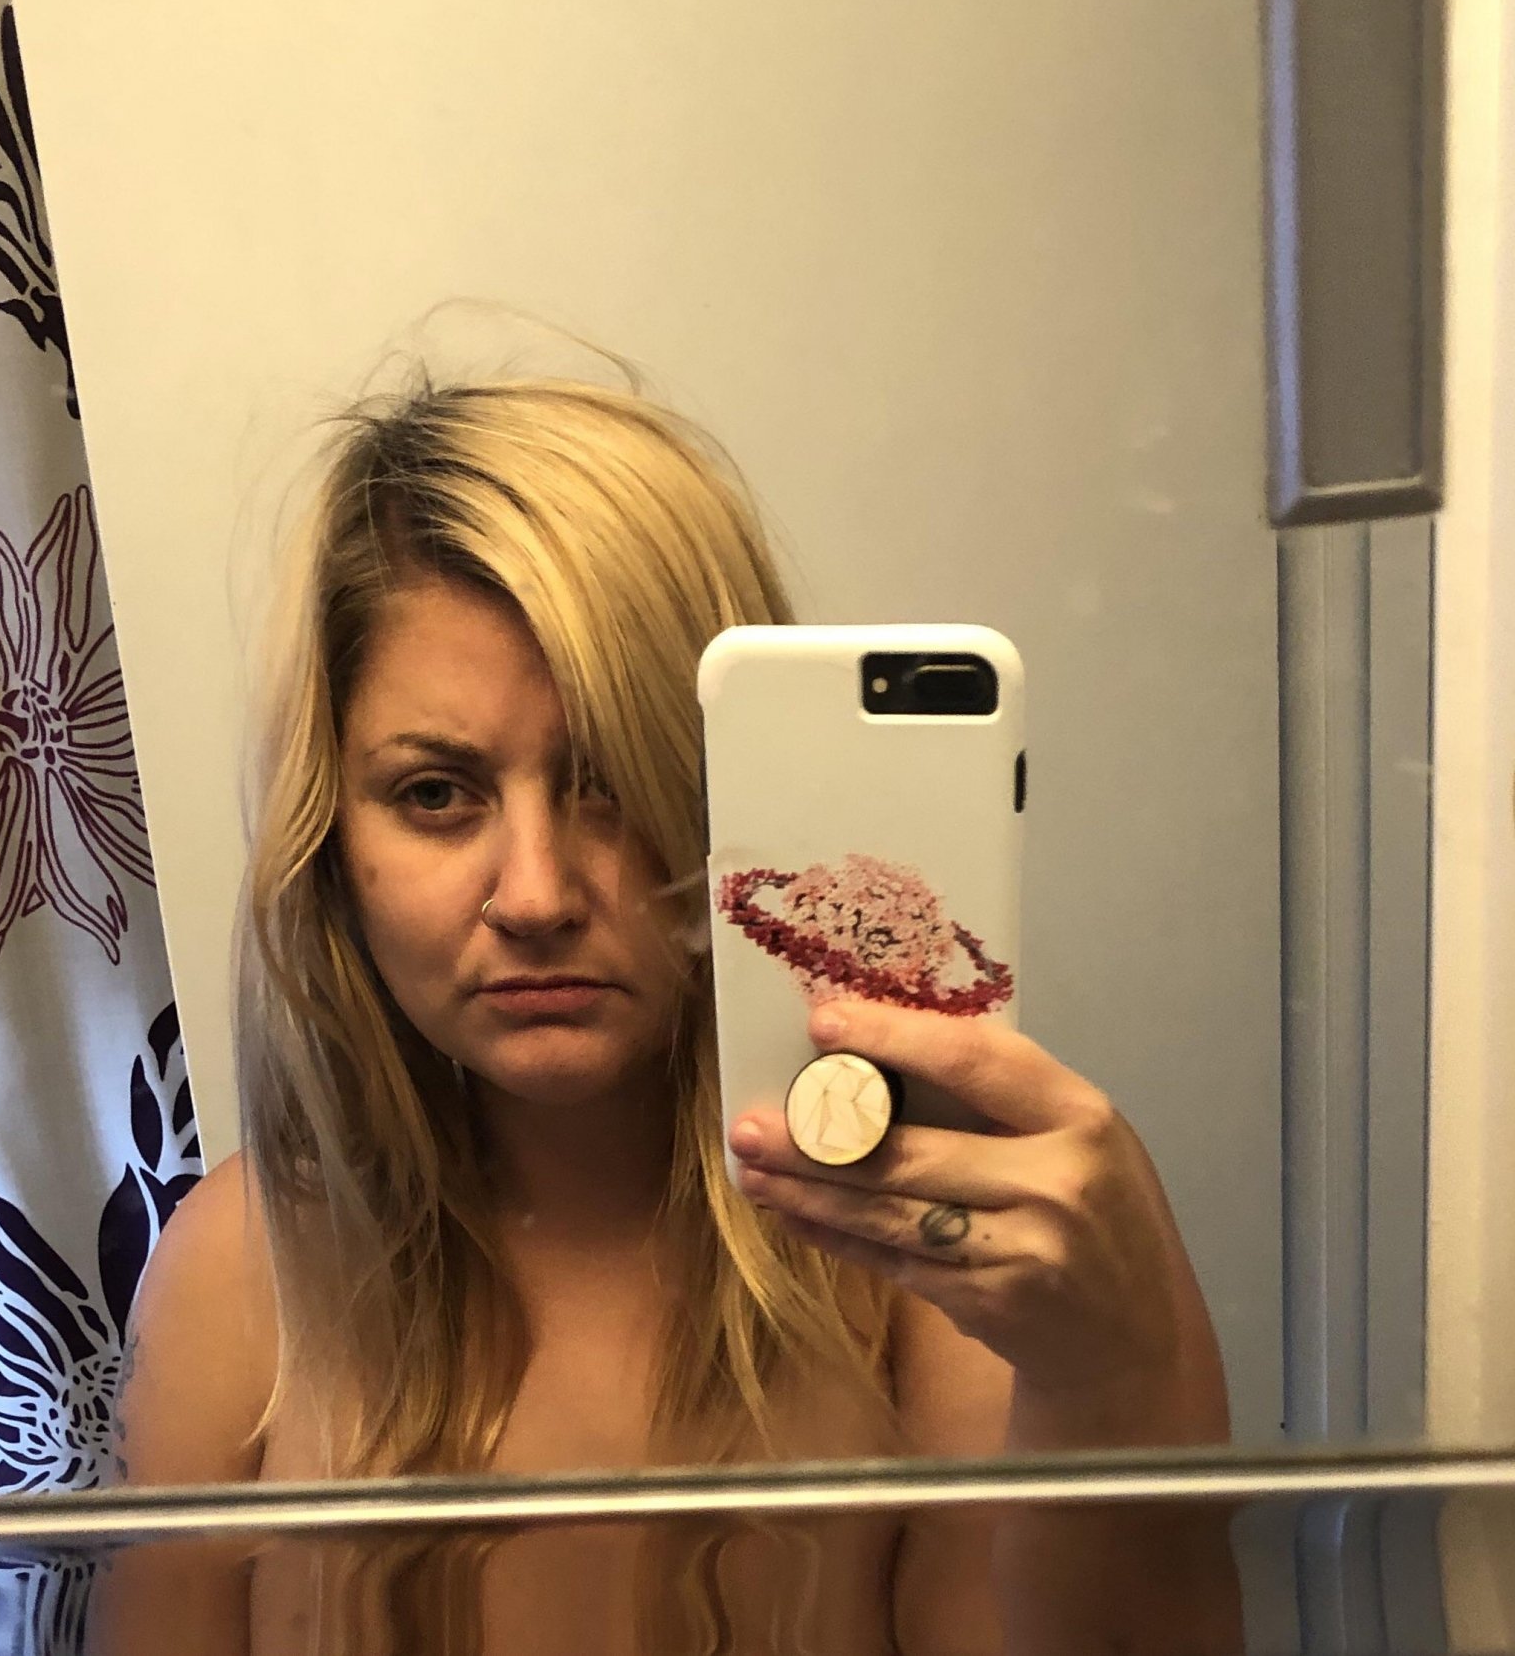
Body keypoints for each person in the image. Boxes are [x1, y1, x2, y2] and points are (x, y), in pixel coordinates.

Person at [96, 374, 1240, 1654]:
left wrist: (1112, 1376)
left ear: (727, 791)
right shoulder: (242, 1272)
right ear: (328, 844)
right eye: (435, 793)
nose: (536, 895)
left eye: (611, 781)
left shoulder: (935, 1258)